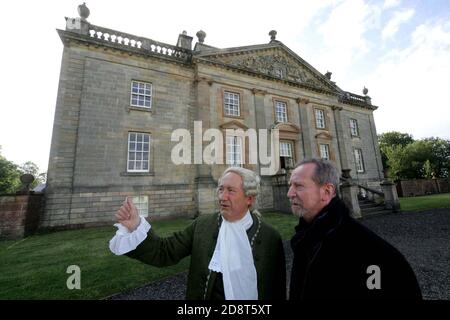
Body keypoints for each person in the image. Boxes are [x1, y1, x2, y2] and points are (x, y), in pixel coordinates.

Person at [109, 167, 286, 300]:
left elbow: (277, 289)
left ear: (250, 198)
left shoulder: (270, 237)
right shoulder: (203, 225)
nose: (222, 196)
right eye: (220, 189)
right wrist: (136, 226)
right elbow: (164, 252)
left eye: (231, 190)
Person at [287, 158, 422, 299]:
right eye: (290, 185)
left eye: (299, 186)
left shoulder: (371, 251)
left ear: (327, 191)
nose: (289, 193)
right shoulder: (305, 237)